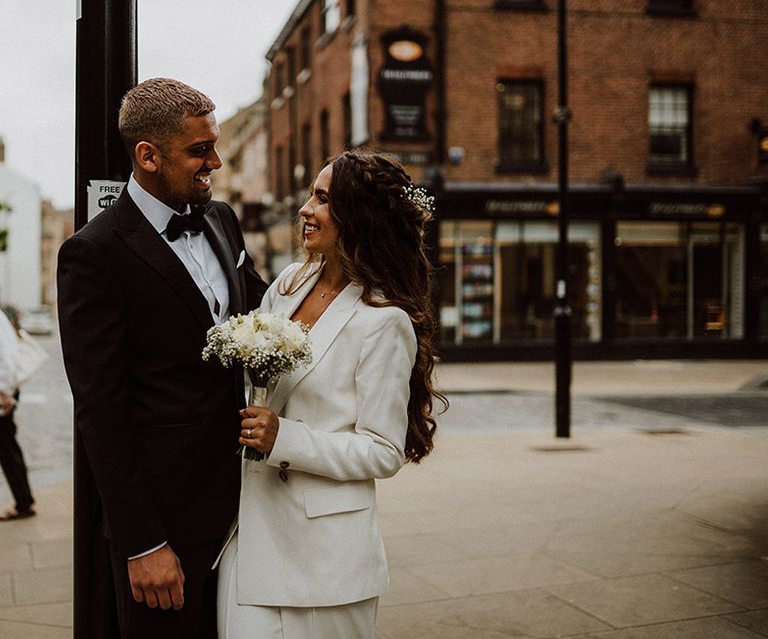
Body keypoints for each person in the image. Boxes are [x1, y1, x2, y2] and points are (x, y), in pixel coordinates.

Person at [57, 77, 268, 638]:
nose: (216, 162)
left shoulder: (221, 219)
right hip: (166, 522)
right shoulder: (93, 254)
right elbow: (100, 410)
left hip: (246, 505)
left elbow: (264, 309)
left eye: (215, 145)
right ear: (147, 156)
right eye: (200, 150)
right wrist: (143, 542)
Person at [217, 149, 448, 638]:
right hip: (250, 530)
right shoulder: (288, 284)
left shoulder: (384, 321)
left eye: (322, 199)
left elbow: (383, 450)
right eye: (311, 195)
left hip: (325, 559)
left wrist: (285, 438)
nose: (305, 208)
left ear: (356, 216)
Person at [0, 306, 35, 521]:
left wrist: (3, 392)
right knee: (8, 449)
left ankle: (24, 503)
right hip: (4, 392)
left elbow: (6, 357)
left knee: (8, 449)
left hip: (3, 395)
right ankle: (24, 501)